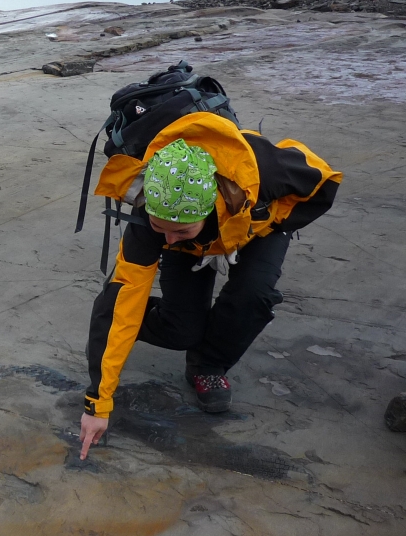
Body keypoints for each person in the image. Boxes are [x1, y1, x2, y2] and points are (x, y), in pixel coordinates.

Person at [78, 112, 341, 460]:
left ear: (207, 209)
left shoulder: (268, 171)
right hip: (197, 240)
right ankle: (119, 326)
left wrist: (274, 222)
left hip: (256, 222)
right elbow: (128, 290)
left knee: (255, 294)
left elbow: (324, 179)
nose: (168, 239)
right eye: (160, 227)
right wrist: (98, 403)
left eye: (180, 230)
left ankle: (209, 365)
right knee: (176, 329)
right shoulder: (152, 220)